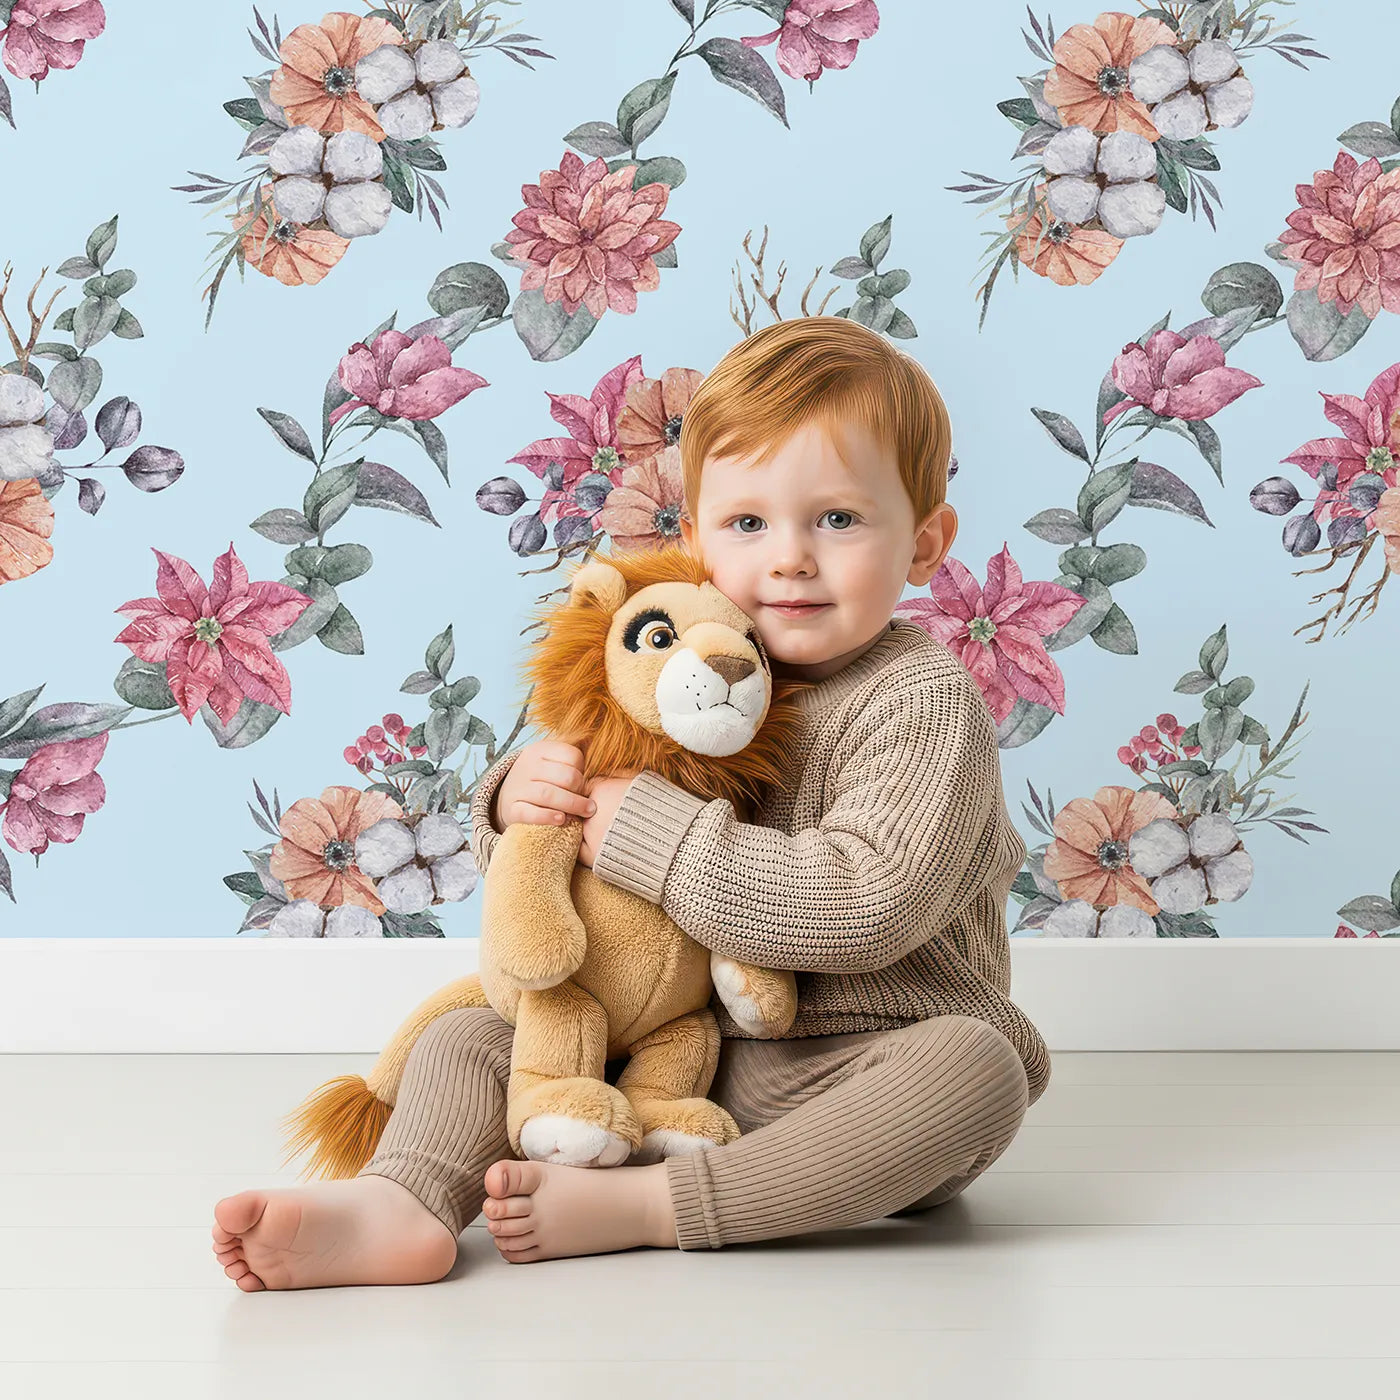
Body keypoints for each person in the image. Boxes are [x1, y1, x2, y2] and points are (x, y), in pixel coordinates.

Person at [211, 315, 1050, 1290]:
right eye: (747, 523)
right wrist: (518, 807)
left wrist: (649, 833)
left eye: (836, 519)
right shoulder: (670, 657)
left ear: (924, 541)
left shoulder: (920, 700)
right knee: (478, 1030)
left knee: (975, 1071)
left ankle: (653, 1206)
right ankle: (403, 1201)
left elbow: (864, 904)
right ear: (693, 538)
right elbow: (560, 874)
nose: (788, 557)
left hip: (845, 1061)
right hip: (664, 1045)